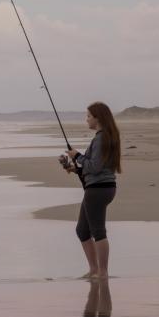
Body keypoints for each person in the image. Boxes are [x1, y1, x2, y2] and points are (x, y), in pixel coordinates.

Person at [62, 102, 121, 280]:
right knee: (82, 231)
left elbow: (95, 167)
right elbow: (97, 167)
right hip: (101, 187)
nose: (86, 119)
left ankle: (102, 272)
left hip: (98, 190)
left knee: (98, 231)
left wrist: (77, 156)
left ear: (98, 118)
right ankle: (94, 269)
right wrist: (77, 169)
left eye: (88, 116)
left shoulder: (102, 138)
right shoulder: (103, 137)